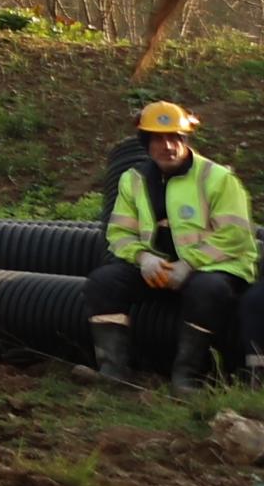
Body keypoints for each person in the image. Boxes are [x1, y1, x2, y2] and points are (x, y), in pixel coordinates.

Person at [87, 98, 254, 385]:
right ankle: (114, 371)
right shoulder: (134, 180)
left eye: (175, 138)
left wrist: (190, 264)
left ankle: (187, 376)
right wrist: (144, 259)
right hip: (160, 271)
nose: (167, 146)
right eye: (159, 139)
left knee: (207, 289)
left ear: (185, 139)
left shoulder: (217, 178)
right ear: (146, 143)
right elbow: (118, 233)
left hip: (214, 269)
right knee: (103, 282)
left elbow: (235, 235)